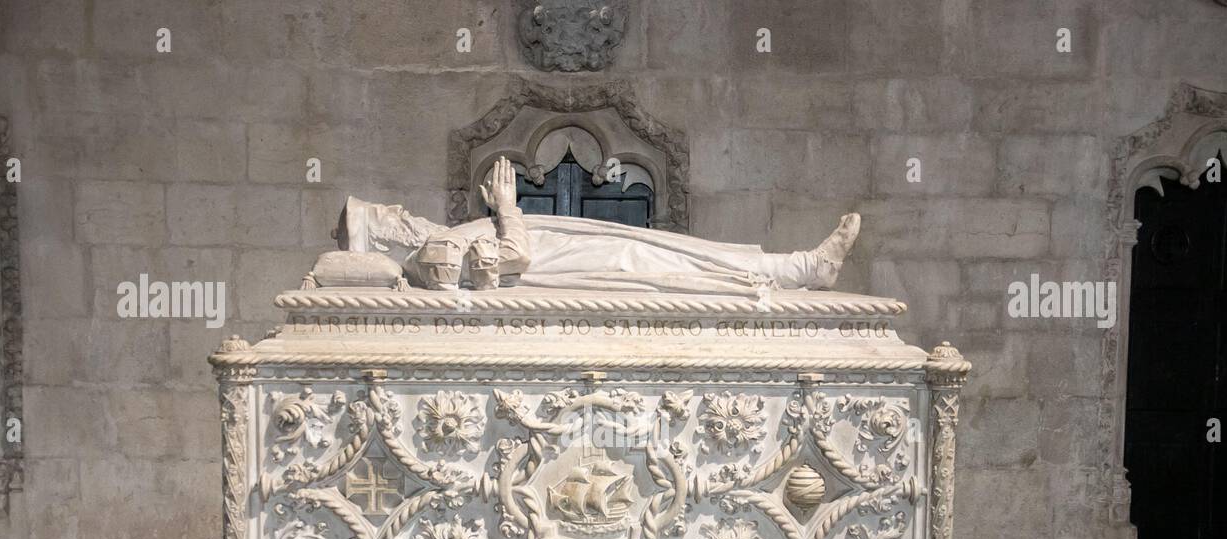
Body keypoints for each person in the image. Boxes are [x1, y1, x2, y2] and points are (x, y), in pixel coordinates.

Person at [339, 156, 860, 294]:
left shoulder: (434, 243)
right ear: (380, 238)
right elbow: (509, 260)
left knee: (684, 253)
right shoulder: (430, 252)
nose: (401, 215)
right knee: (676, 264)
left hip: (564, 250)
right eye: (389, 217)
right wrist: (506, 207)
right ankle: (804, 269)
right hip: (563, 268)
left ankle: (802, 267)